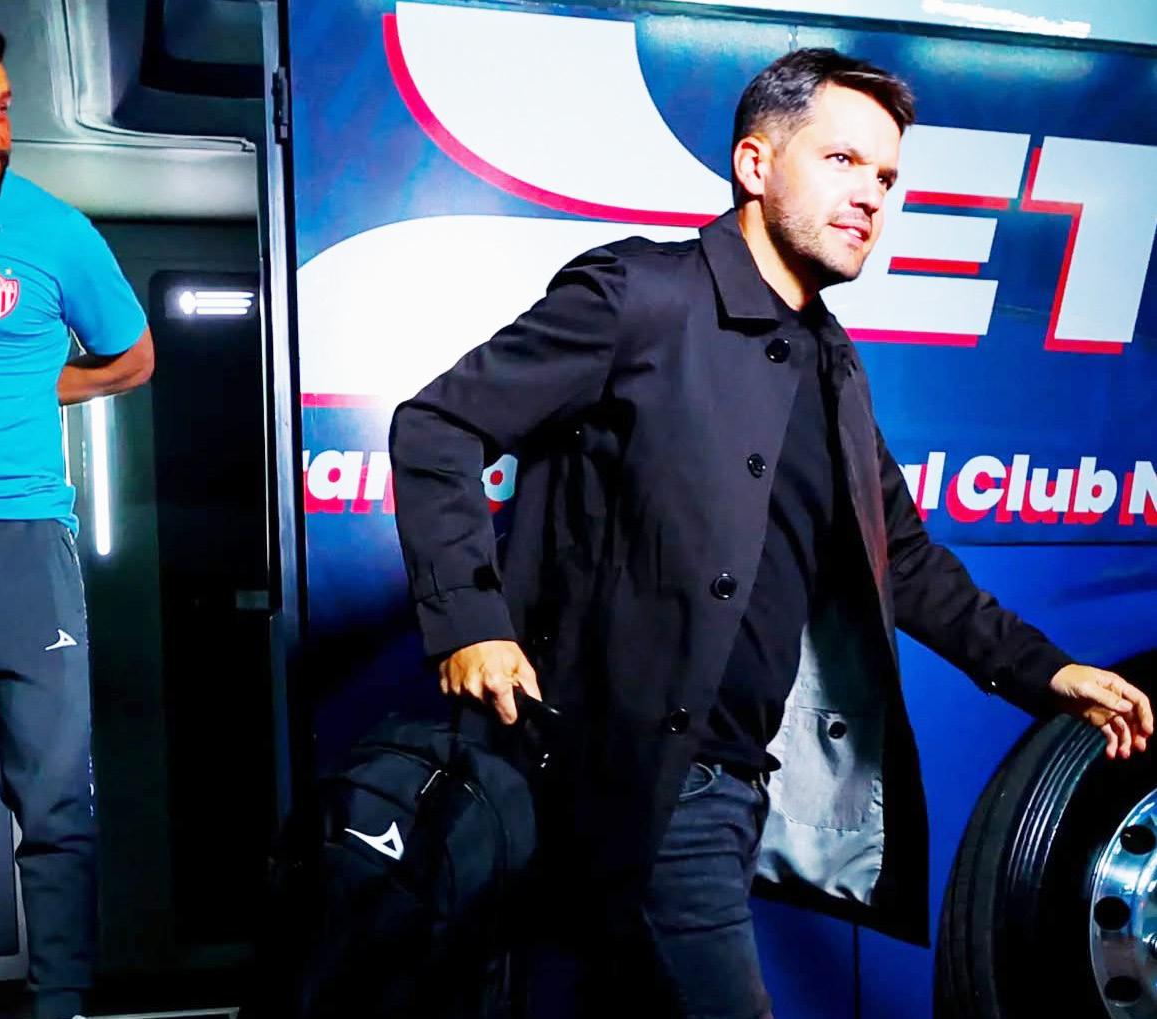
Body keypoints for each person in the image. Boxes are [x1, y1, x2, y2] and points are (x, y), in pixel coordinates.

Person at [389, 48, 1152, 1018]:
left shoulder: (833, 370)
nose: (870, 195)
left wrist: (1049, 672)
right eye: (842, 161)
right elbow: (436, 427)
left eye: (885, 178)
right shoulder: (637, 297)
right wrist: (470, 623)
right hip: (615, 777)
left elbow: (906, 562)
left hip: (732, 789)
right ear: (754, 165)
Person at [0, 14, 152, 1019]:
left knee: (58, 804)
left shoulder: (55, 232)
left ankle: (63, 1008)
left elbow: (133, 356)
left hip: (23, 555)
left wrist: (31, 388)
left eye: (1, 110)